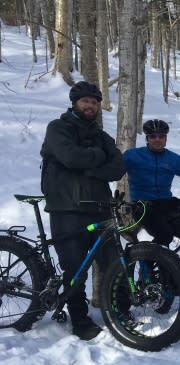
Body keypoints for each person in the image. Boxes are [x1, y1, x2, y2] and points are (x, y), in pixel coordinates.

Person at [40, 81, 126, 340]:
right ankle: (80, 320)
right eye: (85, 101)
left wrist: (86, 165)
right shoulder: (58, 128)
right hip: (67, 208)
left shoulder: (101, 136)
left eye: (94, 102)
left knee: (113, 263)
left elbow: (118, 167)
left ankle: (119, 312)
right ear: (75, 103)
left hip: (100, 208)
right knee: (75, 268)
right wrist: (97, 159)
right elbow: (70, 157)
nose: (90, 105)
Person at [123, 119, 180, 248]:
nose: (157, 139)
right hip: (143, 207)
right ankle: (147, 264)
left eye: (161, 136)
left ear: (166, 139)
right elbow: (113, 172)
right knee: (165, 235)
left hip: (167, 205)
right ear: (147, 139)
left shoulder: (173, 159)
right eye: (153, 136)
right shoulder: (132, 156)